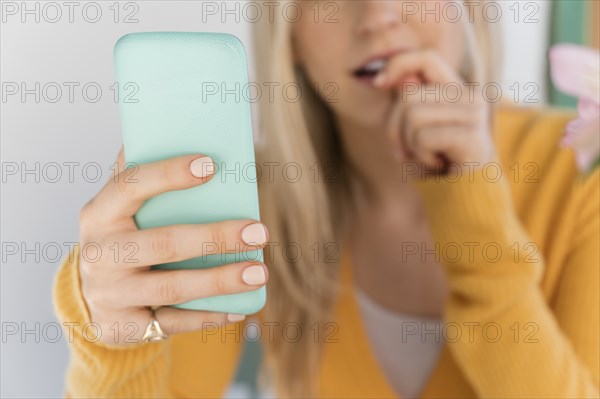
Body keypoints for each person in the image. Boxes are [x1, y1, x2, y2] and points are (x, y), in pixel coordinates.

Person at [53, 1, 599, 397]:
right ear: (286, 32)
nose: (379, 14)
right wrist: (111, 336)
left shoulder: (582, 173)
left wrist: (475, 222)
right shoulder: (251, 204)